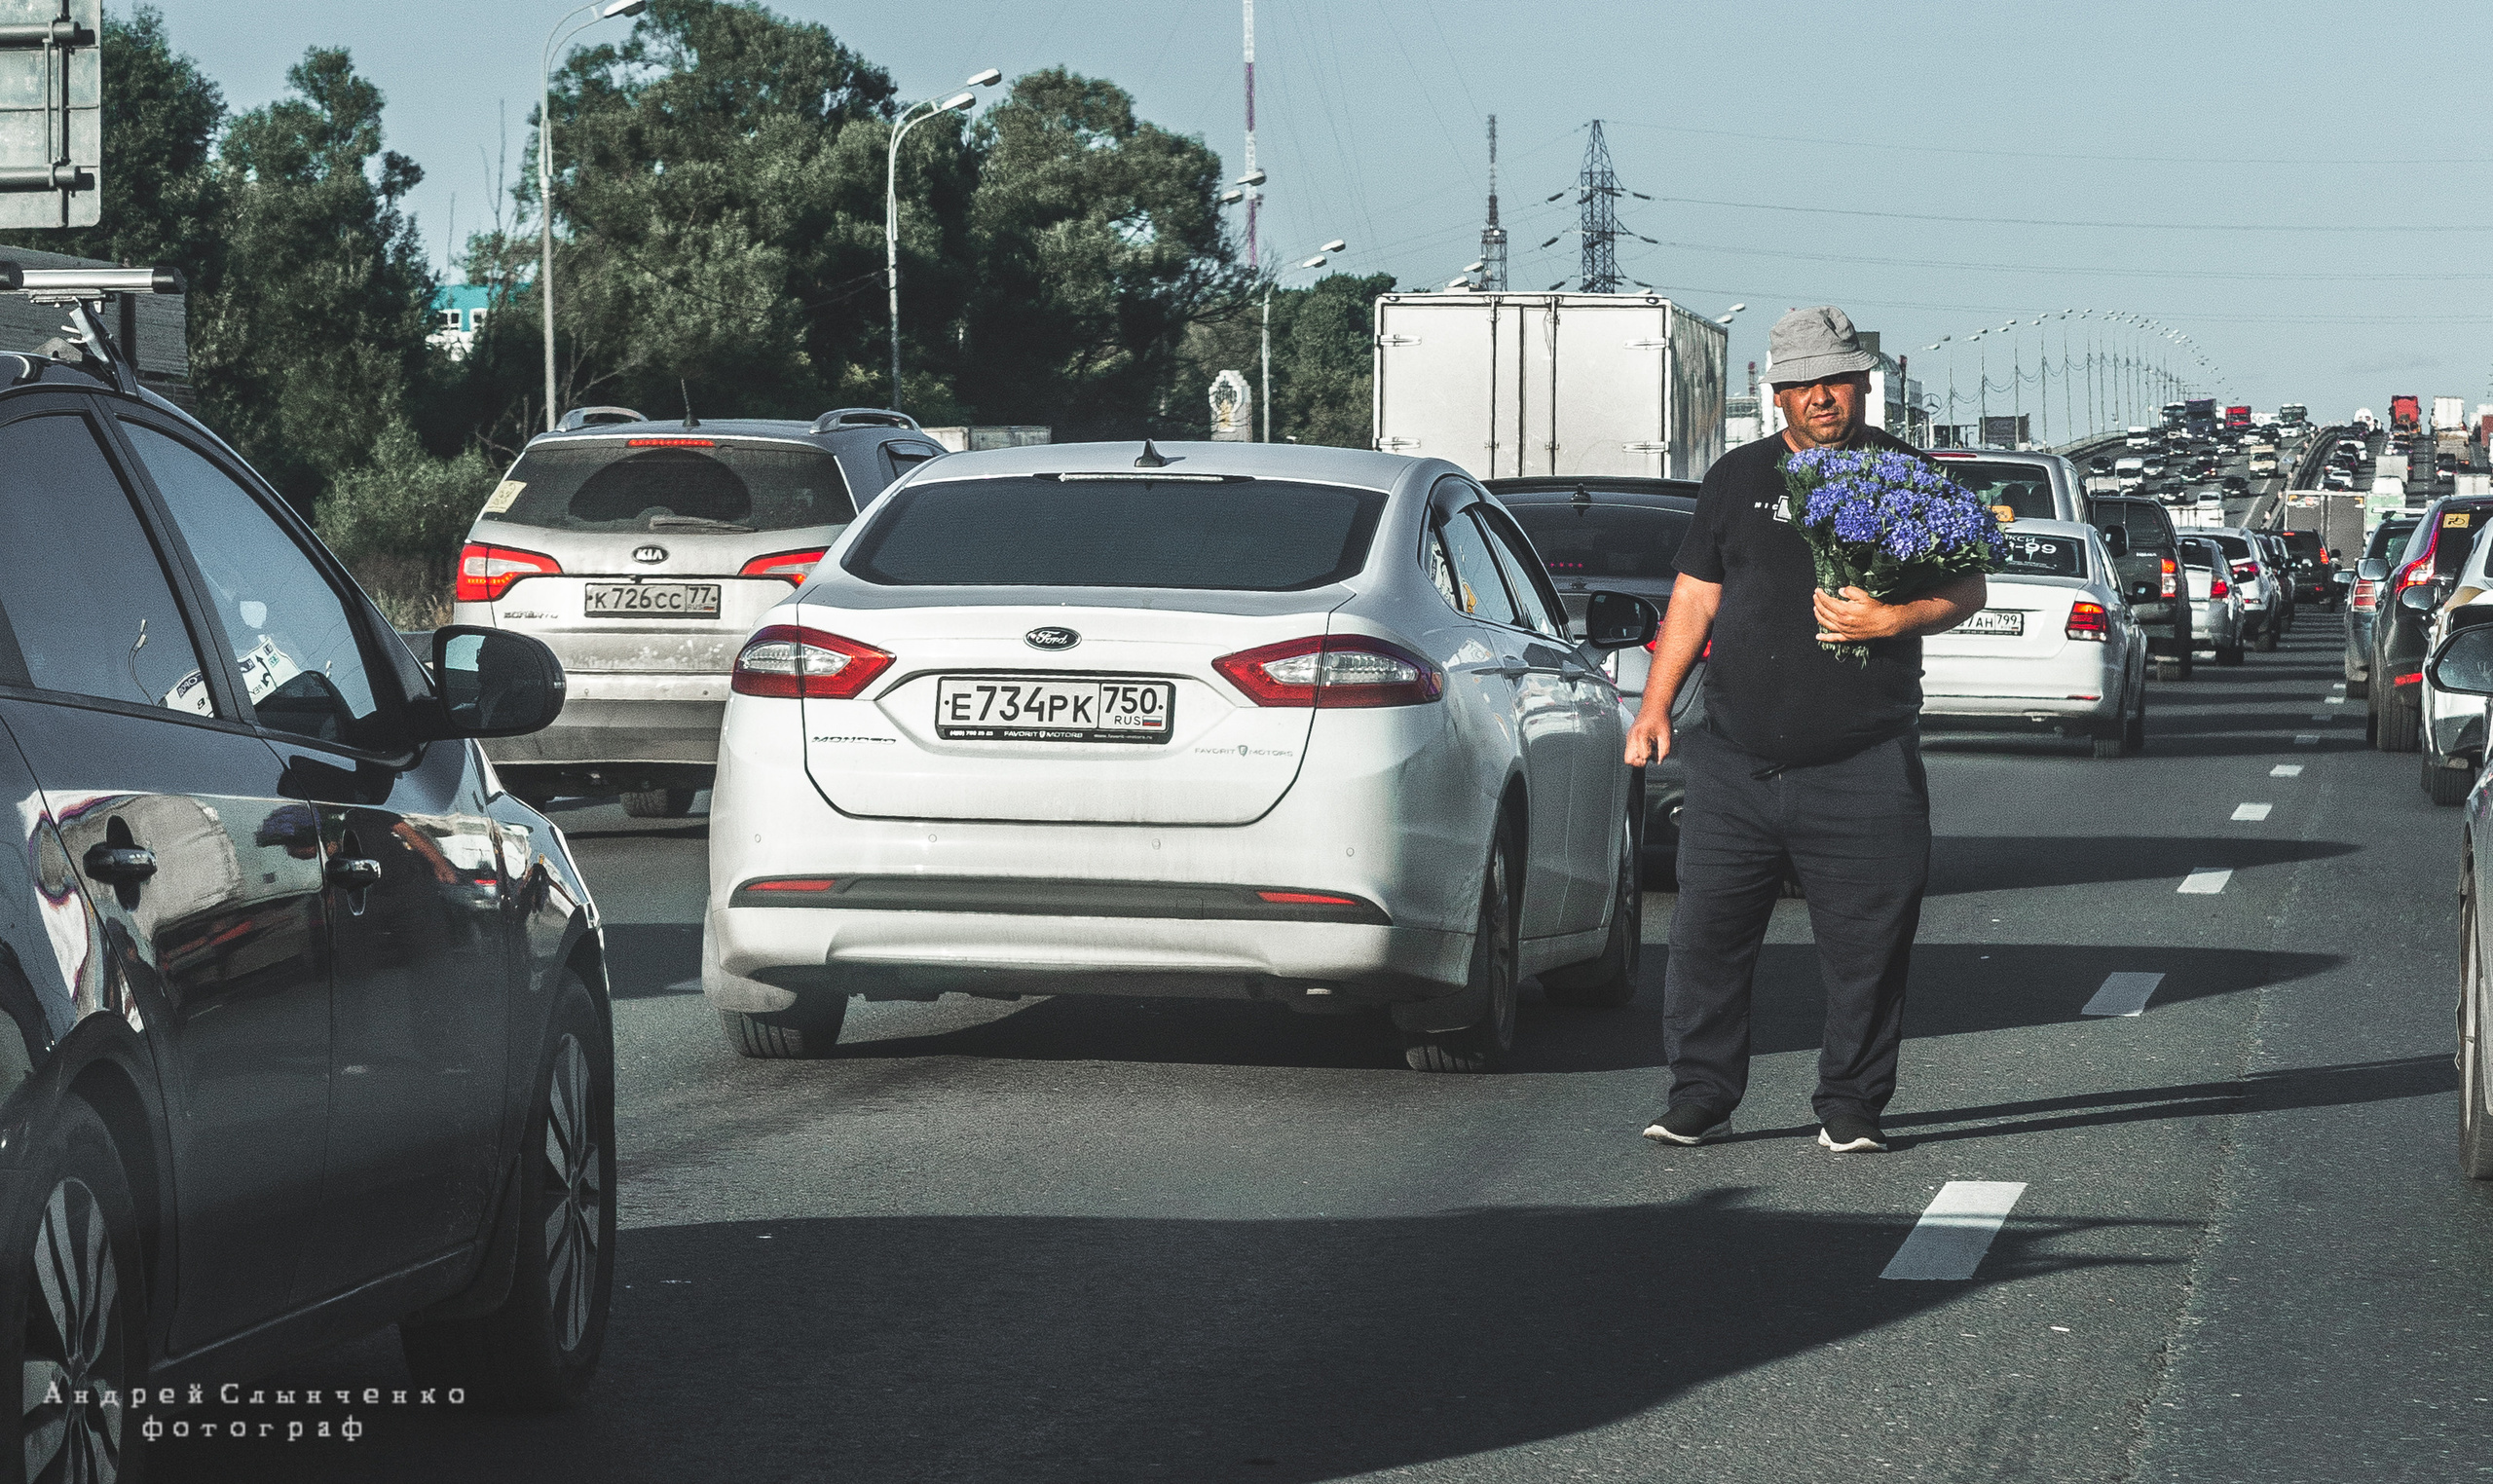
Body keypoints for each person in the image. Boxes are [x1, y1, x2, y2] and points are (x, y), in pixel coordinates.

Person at [1622, 306, 1987, 1154]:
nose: (1822, 398)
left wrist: (1892, 620)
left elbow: (1967, 592)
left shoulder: (1905, 474)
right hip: (1735, 759)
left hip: (1864, 760)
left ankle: (1853, 1103)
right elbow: (1695, 597)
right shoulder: (1736, 476)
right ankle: (1701, 1095)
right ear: (1777, 392)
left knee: (1868, 949)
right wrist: (1653, 709)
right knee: (1705, 940)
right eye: (1802, 385)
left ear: (1862, 383)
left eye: (1836, 381)